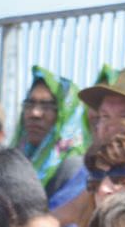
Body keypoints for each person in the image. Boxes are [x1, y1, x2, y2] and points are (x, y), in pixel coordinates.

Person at [16, 68, 87, 201]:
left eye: (47, 106)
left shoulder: (74, 169)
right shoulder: (16, 160)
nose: (34, 113)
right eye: (30, 104)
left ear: (66, 116)